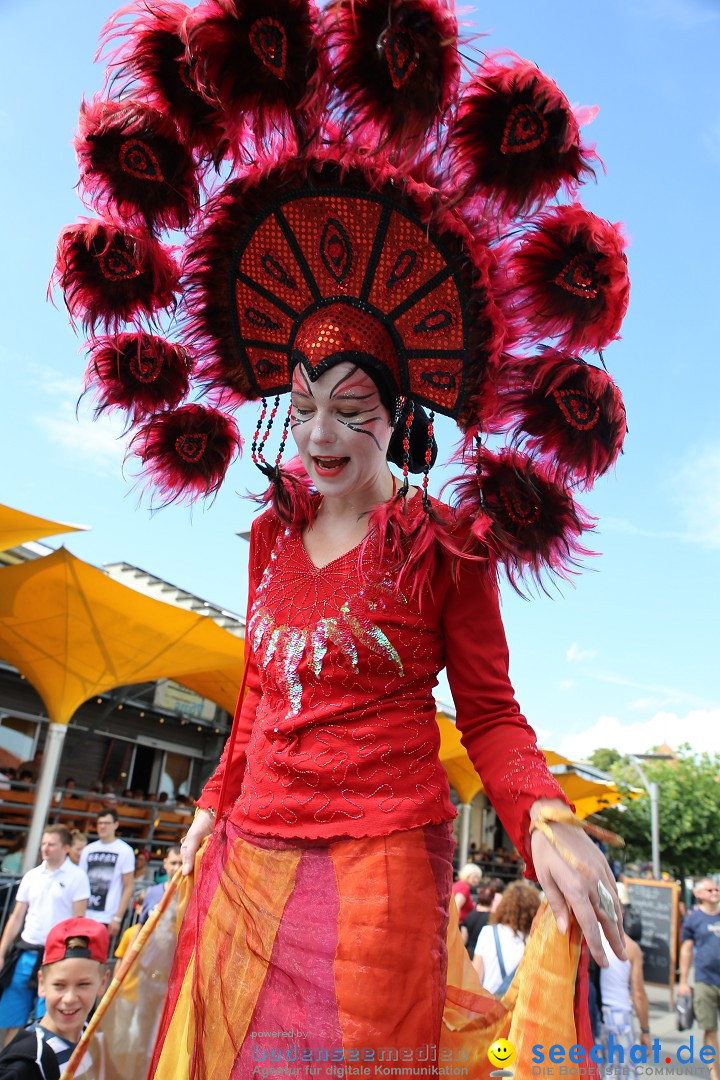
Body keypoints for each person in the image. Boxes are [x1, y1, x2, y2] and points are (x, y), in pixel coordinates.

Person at [56, 3, 631, 1072]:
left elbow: (493, 713)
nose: (321, 435)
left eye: (354, 410)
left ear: (397, 421)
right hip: (240, 863)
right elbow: (252, 712)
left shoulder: (443, 542)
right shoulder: (266, 542)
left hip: (377, 873)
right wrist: (202, 823)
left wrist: (544, 817)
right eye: (305, 402)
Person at [0, 827, 89, 1045]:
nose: (45, 848)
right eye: (43, 844)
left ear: (66, 848)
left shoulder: (77, 877)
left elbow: (79, 921)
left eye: (51, 844)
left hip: (55, 958)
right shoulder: (31, 875)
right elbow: (16, 917)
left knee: (48, 1022)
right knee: (13, 1020)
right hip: (25, 954)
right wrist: (1, 952)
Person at [0, 918, 109, 1080]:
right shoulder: (25, 1065)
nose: (70, 998)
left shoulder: (92, 1035)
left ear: (103, 983)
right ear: (42, 983)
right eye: (59, 985)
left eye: (83, 984)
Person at [597, 925, 651, 1079]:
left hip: (593, 1015)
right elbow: (638, 994)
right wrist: (645, 1031)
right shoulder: (630, 947)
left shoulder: (585, 938)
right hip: (620, 1017)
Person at [679, 878, 720, 1080]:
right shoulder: (694, 919)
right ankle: (715, 1075)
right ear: (700, 894)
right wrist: (683, 982)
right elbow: (686, 949)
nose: (714, 892)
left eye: (717, 888)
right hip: (705, 981)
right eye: (710, 889)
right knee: (710, 1029)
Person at [472, 881, 541, 994]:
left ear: (504, 906)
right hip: (519, 1006)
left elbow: (476, 977)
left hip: (488, 1004)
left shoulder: (488, 932)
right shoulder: (536, 939)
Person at [78, 810, 134, 941]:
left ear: (116, 825)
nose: (103, 826)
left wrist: (118, 918)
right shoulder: (88, 850)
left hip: (106, 917)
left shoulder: (125, 851)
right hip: (84, 914)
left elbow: (128, 886)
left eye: (107, 823)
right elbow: (80, 882)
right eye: (100, 823)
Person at [139, 848, 182, 926]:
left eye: (181, 863)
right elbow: (141, 927)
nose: (177, 868)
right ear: (165, 863)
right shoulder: (152, 892)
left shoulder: (192, 895)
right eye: (173, 863)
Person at [464, 885, 495, 959]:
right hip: (485, 955)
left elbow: (464, 939)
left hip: (468, 954)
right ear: (492, 899)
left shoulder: (469, 916)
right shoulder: (494, 918)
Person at [453, 864, 483, 935]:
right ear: (467, 876)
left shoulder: (459, 884)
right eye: (475, 877)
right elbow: (456, 907)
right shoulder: (464, 887)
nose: (477, 880)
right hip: (459, 926)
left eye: (478, 878)